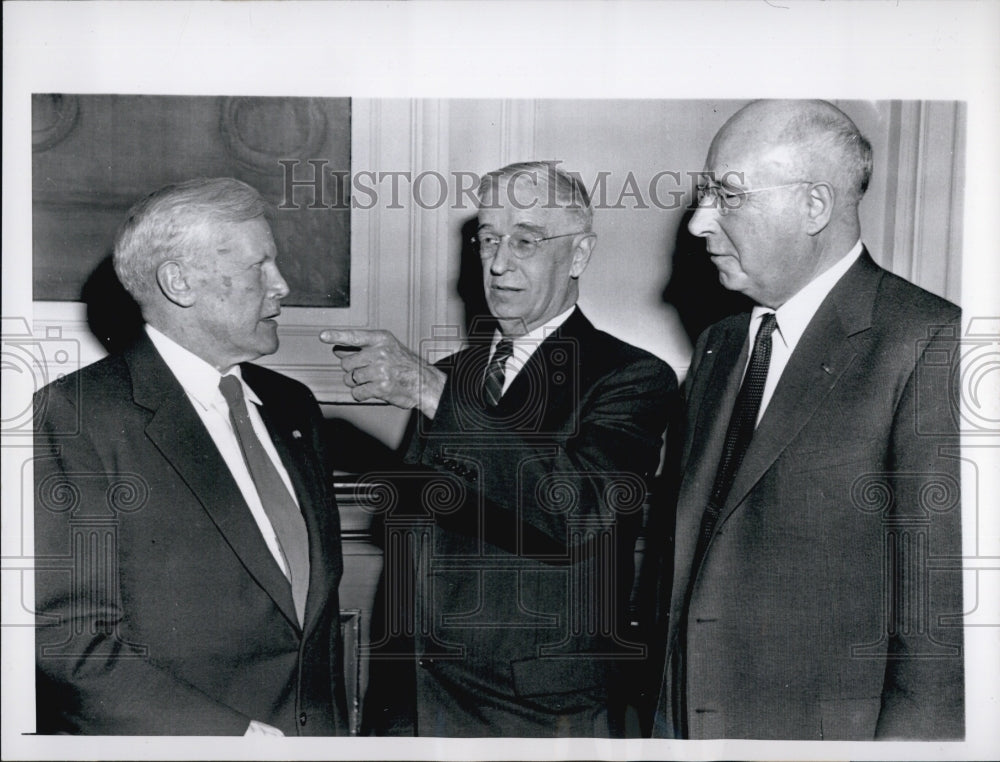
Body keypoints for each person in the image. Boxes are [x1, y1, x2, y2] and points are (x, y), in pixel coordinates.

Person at [321, 161, 677, 736]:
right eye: (488, 239)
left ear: (580, 255)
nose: (498, 262)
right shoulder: (447, 377)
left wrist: (436, 395)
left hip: (535, 715)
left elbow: (577, 514)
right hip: (414, 706)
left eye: (526, 240)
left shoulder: (630, 377)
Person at [653, 100, 964, 740]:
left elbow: (939, 634)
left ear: (814, 206)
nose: (698, 222)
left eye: (727, 194)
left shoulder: (931, 343)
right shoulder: (719, 345)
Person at [33, 177, 348, 735]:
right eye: (259, 267)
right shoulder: (77, 416)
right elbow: (65, 638)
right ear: (179, 283)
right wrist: (232, 738)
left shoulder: (292, 406)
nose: (282, 285)